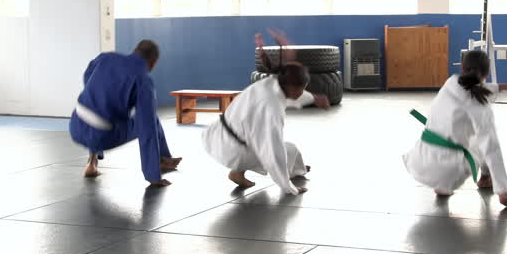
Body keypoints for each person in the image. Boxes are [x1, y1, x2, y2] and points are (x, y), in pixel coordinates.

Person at [202, 30, 329, 194]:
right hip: (233, 149)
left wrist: (314, 98)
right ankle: (284, 173)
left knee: (287, 149)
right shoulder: (271, 108)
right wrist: (288, 187)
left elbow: (293, 91)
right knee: (285, 150)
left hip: (218, 136)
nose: (302, 91)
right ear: (291, 87)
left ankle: (240, 172)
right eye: (301, 88)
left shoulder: (273, 83)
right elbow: (272, 149)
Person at [403, 49, 507, 207]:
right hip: (449, 172)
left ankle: (442, 188)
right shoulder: (480, 106)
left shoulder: (450, 83)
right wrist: (502, 191)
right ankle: (484, 178)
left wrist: (503, 87)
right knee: (481, 140)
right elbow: (491, 147)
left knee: (462, 136)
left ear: (462, 68)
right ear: (487, 72)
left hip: (418, 163)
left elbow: (471, 89)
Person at [70, 40, 180, 187]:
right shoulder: (143, 80)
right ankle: (162, 160)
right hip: (103, 137)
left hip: (75, 126)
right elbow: (146, 127)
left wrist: (99, 99)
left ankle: (92, 161)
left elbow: (87, 75)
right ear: (153, 63)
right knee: (152, 120)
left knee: (100, 112)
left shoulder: (106, 57)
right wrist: (153, 176)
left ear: (134, 50)